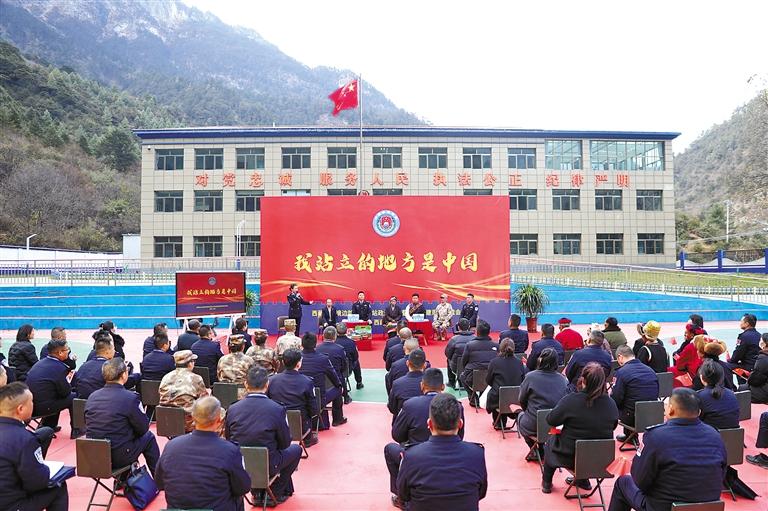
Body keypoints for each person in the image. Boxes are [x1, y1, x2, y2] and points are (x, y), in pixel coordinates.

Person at [607, 388, 727, 511]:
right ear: (699, 412)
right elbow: (722, 472)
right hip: (708, 506)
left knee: (623, 483)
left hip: (664, 506)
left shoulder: (656, 436)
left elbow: (640, 480)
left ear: (671, 409)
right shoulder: (715, 435)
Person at [384, 368, 465, 509]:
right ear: (443, 387)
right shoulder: (456, 406)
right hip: (450, 454)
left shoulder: (410, 405)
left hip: (416, 455)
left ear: (422, 385)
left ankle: (401, 498)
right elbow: (460, 436)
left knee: (390, 449)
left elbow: (397, 435)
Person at [156, 396, 251, 511]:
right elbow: (243, 487)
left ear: (192, 417)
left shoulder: (172, 446)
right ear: (219, 421)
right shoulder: (229, 451)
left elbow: (160, 482)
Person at [396, 393, 486, 510]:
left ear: (429, 424)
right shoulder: (476, 454)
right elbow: (481, 493)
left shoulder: (411, 456)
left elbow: (403, 495)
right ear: (460, 424)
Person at [226, 367, 302, 505]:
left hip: (240, 462)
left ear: (245, 384)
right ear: (267, 384)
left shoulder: (233, 408)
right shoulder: (277, 409)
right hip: (269, 462)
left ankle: (257, 492)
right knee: (296, 450)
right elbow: (285, 443)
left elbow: (228, 439)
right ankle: (275, 492)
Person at [541, 363, 619, 494]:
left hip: (569, 456)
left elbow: (551, 420)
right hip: (600, 458)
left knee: (551, 441)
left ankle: (546, 482)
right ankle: (583, 480)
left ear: (583, 380)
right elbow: (614, 425)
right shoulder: (611, 403)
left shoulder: (571, 400)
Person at [0, 382, 69, 511]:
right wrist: (43, 469)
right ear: (20, 409)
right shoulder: (24, 439)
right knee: (58, 485)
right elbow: (37, 482)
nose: (33, 404)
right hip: (11, 505)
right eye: (31, 401)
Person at [84, 358, 160, 475]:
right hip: (118, 455)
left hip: (94, 455)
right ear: (124, 375)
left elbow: (88, 423)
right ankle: (159, 477)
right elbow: (143, 428)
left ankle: (124, 478)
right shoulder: (130, 398)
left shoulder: (92, 396)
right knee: (148, 437)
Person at [519, 348, 568, 462]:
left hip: (533, 424)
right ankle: (542, 448)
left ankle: (536, 449)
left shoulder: (530, 377)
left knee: (520, 416)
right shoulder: (563, 380)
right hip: (556, 427)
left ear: (540, 360)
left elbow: (521, 399)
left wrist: (527, 411)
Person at [267, 348, 319, 447]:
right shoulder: (307, 382)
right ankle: (307, 439)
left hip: (276, 424)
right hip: (300, 426)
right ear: (299, 364)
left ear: (283, 362)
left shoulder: (271, 380)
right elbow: (313, 409)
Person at [25, 339, 77, 436]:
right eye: (67, 350)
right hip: (41, 408)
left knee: (52, 393)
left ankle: (50, 424)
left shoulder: (40, 363)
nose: (68, 352)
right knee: (74, 397)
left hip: (31, 405)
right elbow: (65, 392)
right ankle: (77, 429)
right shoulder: (59, 368)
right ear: (60, 353)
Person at [611, 345, 659, 443]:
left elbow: (616, 398)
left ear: (620, 357)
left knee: (614, 403)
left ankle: (630, 436)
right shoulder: (650, 370)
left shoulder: (621, 372)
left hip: (631, 417)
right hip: (653, 414)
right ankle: (631, 436)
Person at [298, 332, 345, 429]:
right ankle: (338, 419)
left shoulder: (297, 358)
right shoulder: (323, 359)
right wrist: (339, 385)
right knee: (338, 388)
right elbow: (335, 378)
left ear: (302, 344)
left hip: (299, 395)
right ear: (315, 344)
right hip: (317, 397)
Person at [159, 350, 208, 432]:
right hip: (189, 423)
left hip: (166, 422)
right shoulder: (195, 378)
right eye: (193, 361)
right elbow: (205, 401)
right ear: (190, 363)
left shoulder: (166, 377)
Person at [485, 339, 526, 429]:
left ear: (500, 348)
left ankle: (499, 422)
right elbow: (523, 380)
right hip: (516, 398)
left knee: (494, 394)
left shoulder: (494, 362)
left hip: (498, 398)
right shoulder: (519, 362)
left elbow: (488, 380)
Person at [460, 319, 499, 405]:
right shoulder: (496, 345)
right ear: (489, 332)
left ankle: (473, 398)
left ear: (477, 332)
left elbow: (464, 362)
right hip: (492, 378)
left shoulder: (470, 345)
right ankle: (480, 396)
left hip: (473, 377)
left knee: (462, 376)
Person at [697, 359, 739, 430]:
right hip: (734, 435)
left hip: (709, 434)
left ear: (701, 377)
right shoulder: (732, 394)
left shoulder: (699, 396)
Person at [388, 349, 427, 418]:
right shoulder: (430, 383)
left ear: (407, 363)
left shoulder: (397, 384)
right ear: (425, 365)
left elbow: (392, 408)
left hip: (402, 420)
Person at [316, 326, 350, 403]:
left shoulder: (317, 348)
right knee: (340, 376)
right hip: (336, 379)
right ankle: (345, 398)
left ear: (323, 336)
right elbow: (344, 366)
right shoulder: (340, 349)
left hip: (320, 379)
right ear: (335, 336)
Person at [218, 335, 255, 399]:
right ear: (243, 346)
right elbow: (252, 379)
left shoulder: (222, 359)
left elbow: (219, 376)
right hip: (243, 395)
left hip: (225, 393)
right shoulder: (249, 360)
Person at [669, 323, 704, 387]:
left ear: (692, 335)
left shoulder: (690, 346)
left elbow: (680, 365)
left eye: (686, 333)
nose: (685, 334)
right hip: (703, 372)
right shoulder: (705, 343)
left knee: (669, 371)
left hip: (692, 375)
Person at [445, 318, 473, 389]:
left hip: (456, 367)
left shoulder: (454, 339)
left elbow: (447, 354)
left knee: (448, 360)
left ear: (458, 327)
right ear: (469, 326)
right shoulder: (475, 338)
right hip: (471, 367)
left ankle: (451, 382)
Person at [335, 323, 363, 390]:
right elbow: (355, 357)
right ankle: (359, 382)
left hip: (334, 369)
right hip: (346, 370)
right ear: (346, 331)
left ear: (336, 331)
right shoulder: (351, 342)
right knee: (356, 361)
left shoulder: (333, 342)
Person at [744, 333, 768, 403]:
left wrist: (749, 378)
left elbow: (756, 379)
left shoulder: (763, 357)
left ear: (764, 343)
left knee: (742, 390)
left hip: (765, 393)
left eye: (760, 340)